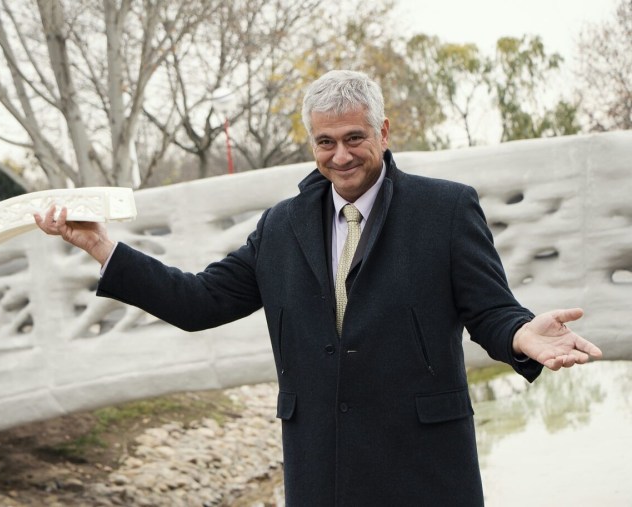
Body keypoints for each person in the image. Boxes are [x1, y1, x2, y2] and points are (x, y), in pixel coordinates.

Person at [35, 70, 602, 506]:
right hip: (319, 470)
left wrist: (522, 333)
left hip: (426, 469)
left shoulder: (447, 208)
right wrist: (101, 247)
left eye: (354, 137)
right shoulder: (280, 226)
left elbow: (490, 309)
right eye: (324, 142)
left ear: (383, 131)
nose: (341, 155)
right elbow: (198, 301)